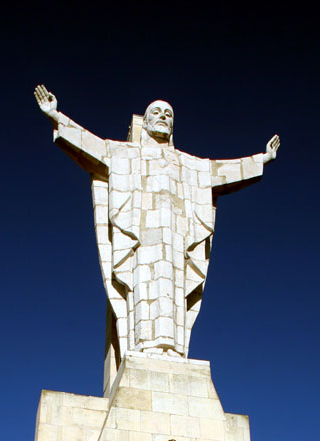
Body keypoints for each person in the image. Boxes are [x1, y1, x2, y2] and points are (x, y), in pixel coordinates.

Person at [34, 85, 280, 389]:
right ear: (146, 123)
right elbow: (92, 146)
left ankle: (173, 349)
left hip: (177, 246)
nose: (163, 117)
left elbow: (223, 171)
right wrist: (55, 115)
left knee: (173, 293)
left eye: (168, 114)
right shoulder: (125, 153)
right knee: (142, 291)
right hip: (141, 244)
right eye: (156, 113)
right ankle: (144, 346)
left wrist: (262, 159)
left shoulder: (190, 165)